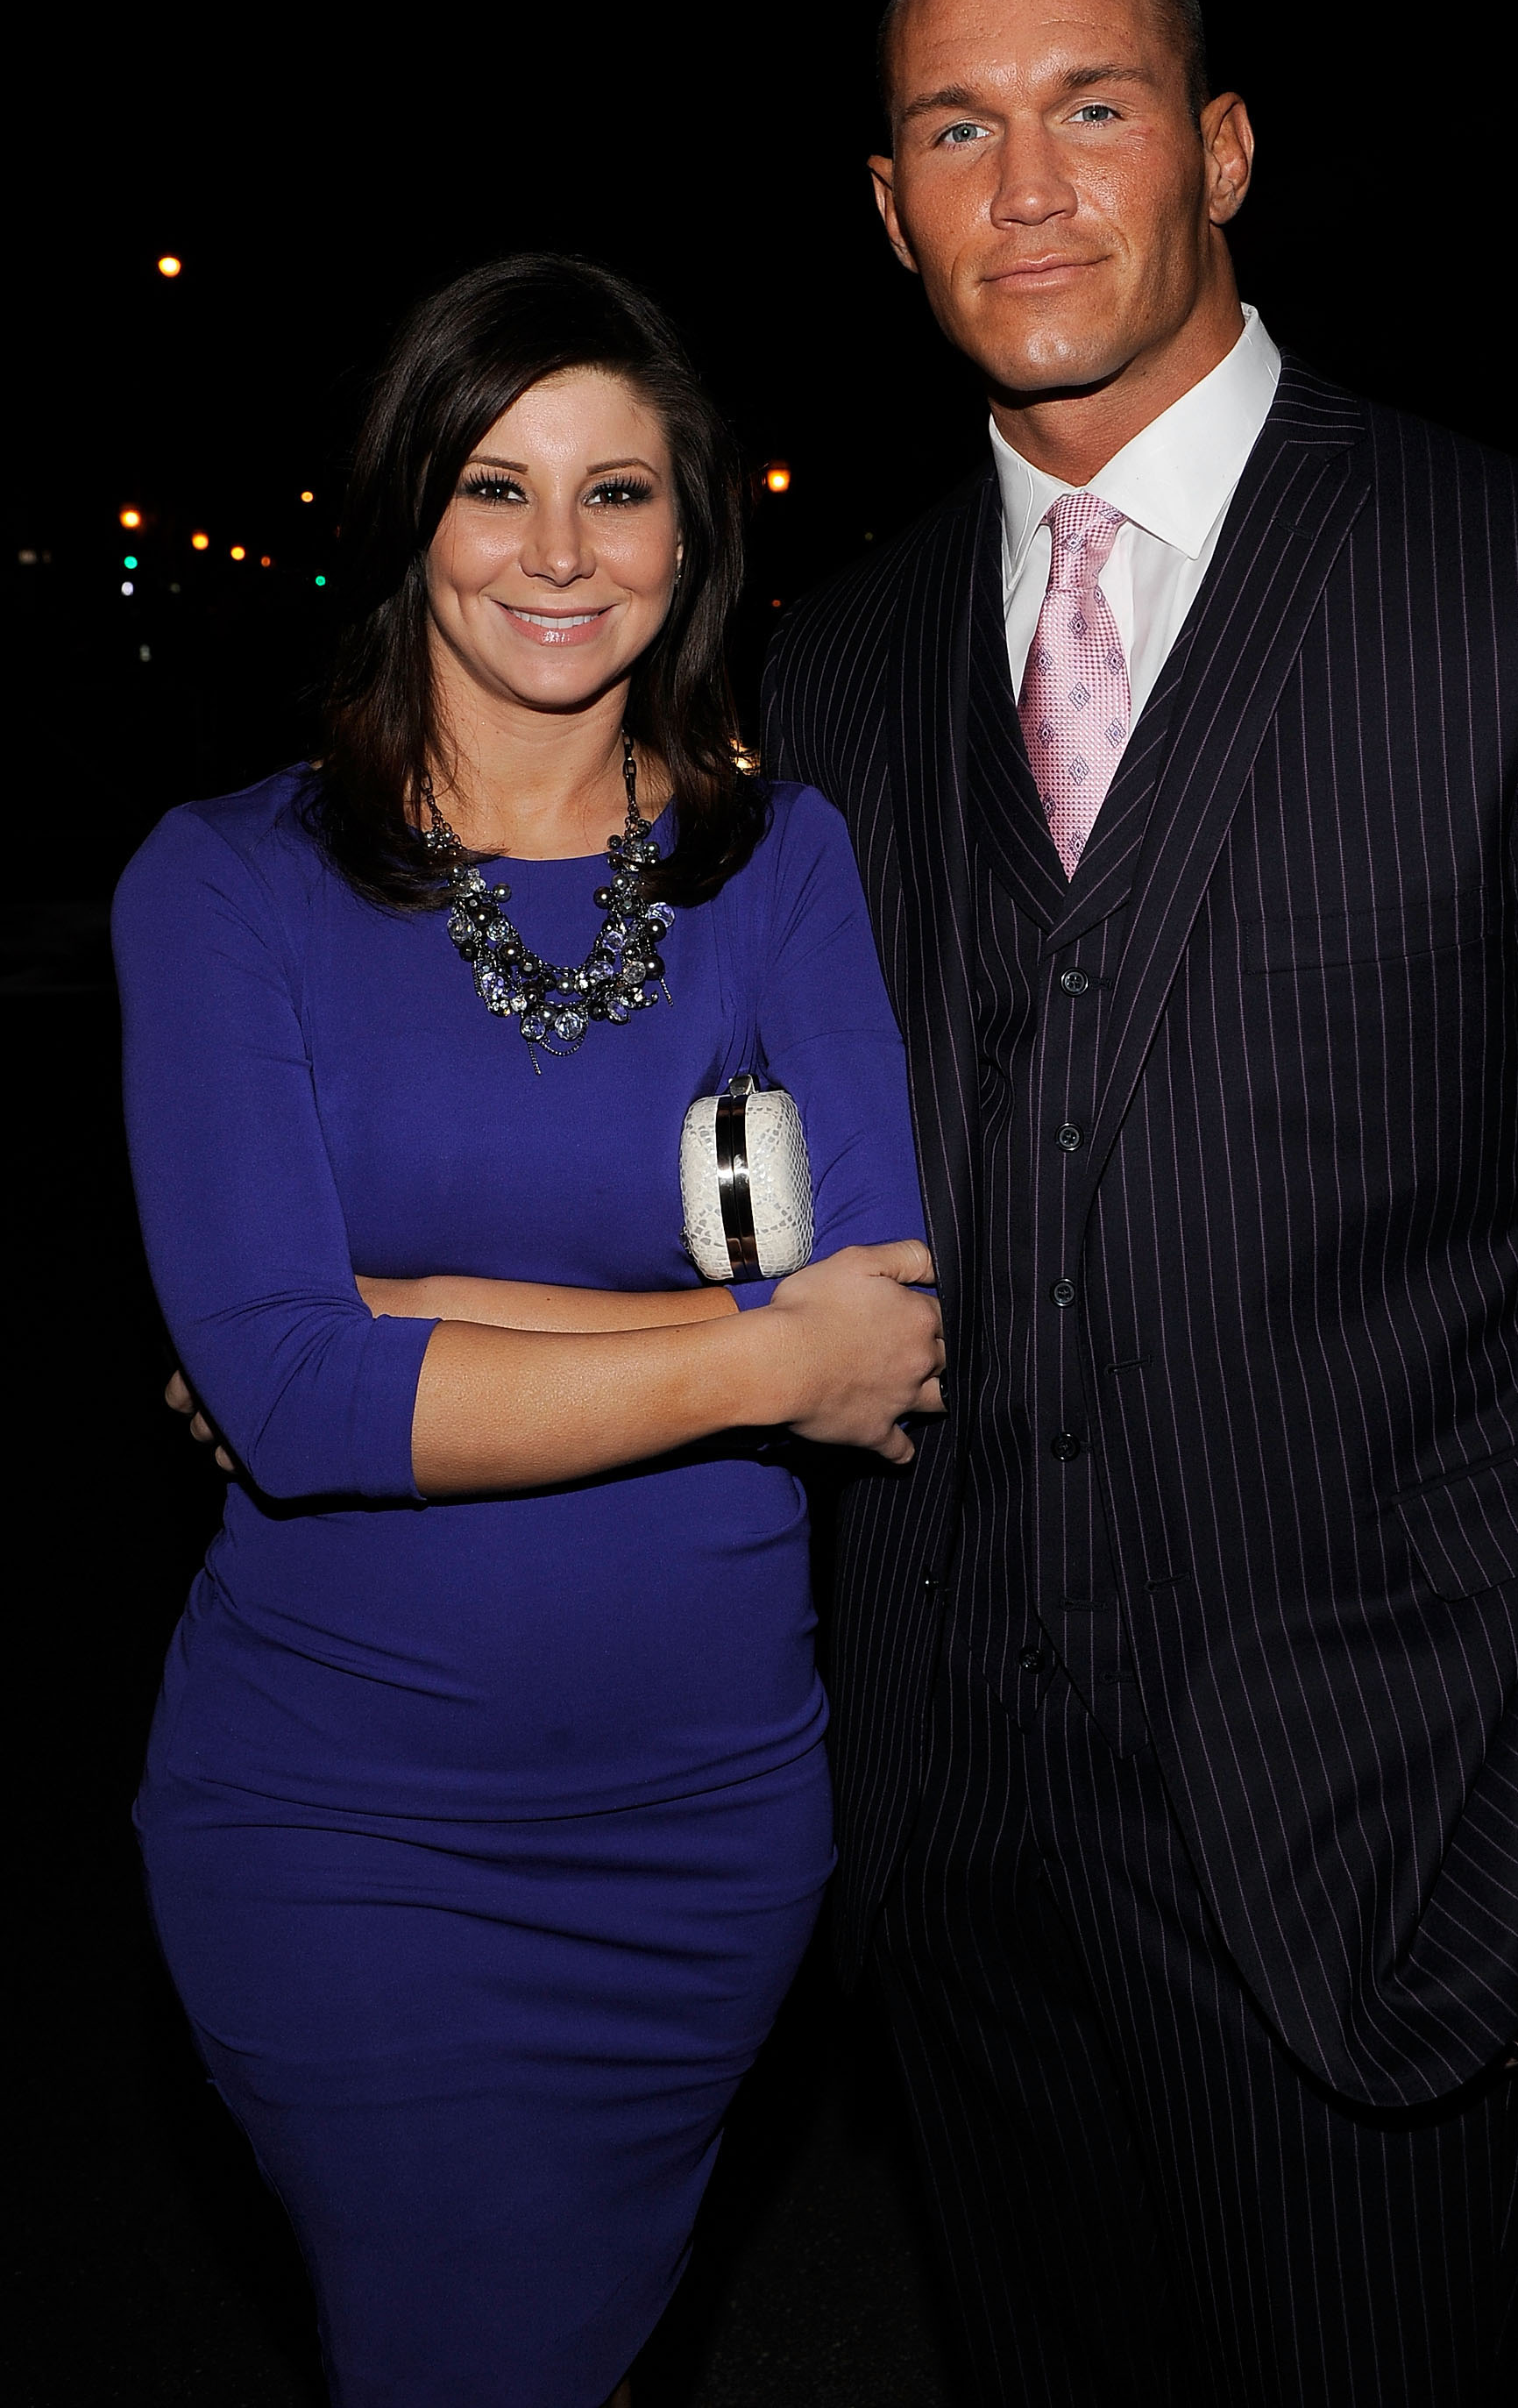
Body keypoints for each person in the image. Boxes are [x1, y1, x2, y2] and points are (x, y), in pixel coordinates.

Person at [756, 0, 1518, 2404]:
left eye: (1093, 107)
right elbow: (754, 1169)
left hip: (1377, 1831)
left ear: (1220, 150)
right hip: (952, 1860)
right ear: (888, 205)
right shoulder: (836, 665)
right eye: (956, 130)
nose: (1025, 187)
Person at [117, 253, 942, 2408]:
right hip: (344, 1828)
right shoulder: (226, 887)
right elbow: (297, 1404)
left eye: (620, 494)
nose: (559, 557)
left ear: (695, 534)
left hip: (707, 1827)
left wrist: (404, 1307)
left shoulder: (781, 864)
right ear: (412, 520)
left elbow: (895, 1307)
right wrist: (757, 1356)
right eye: (496, 489)